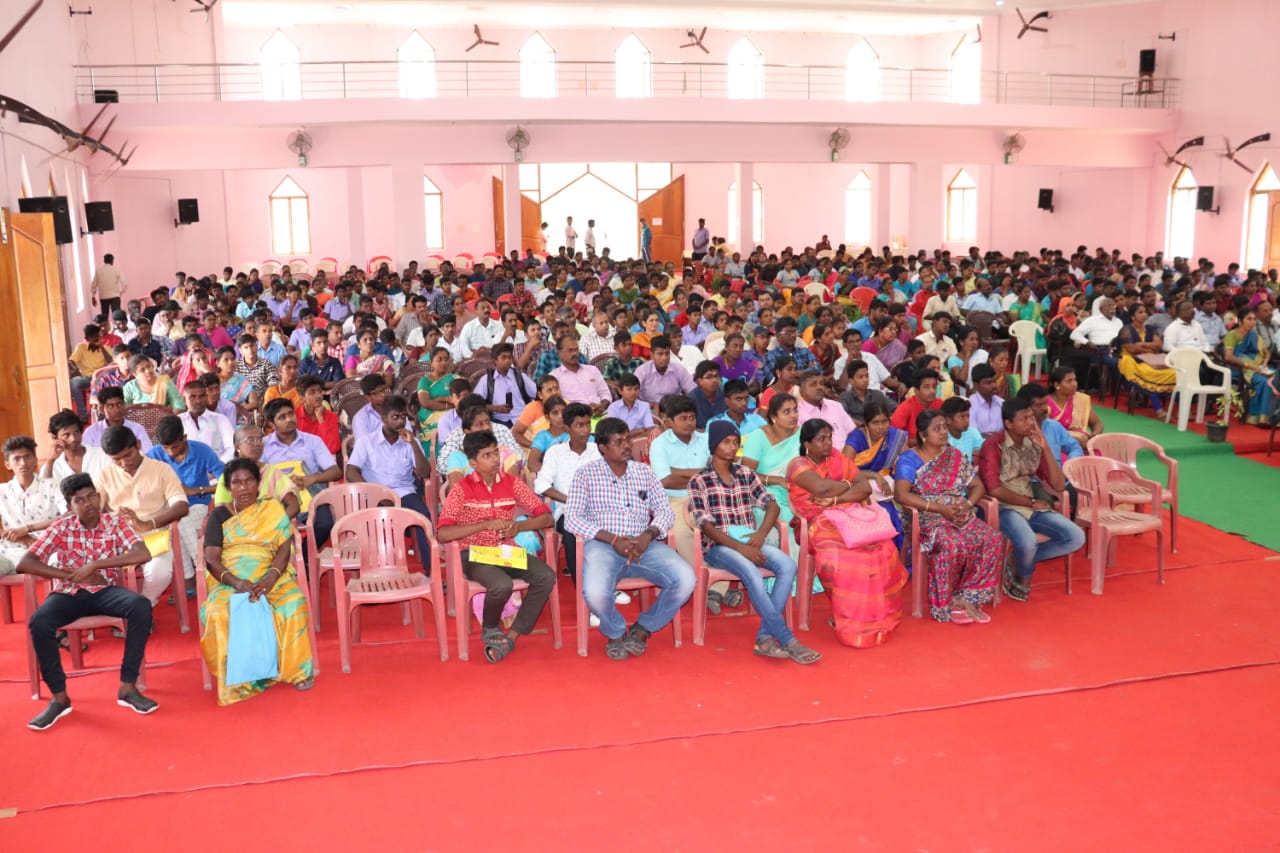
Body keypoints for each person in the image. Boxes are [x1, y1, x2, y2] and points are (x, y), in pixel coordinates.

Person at [20, 473, 158, 730]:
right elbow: (25, 562)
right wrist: (73, 575)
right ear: (70, 506)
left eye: (92, 496)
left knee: (140, 606)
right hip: (68, 593)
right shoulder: (61, 527)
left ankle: (128, 687)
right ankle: (59, 698)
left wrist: (96, 565)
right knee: (39, 622)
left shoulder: (115, 523)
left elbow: (143, 553)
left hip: (104, 590)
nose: (89, 503)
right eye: (79, 500)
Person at [564, 417, 695, 660]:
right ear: (602, 447)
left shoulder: (644, 472)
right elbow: (571, 519)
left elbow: (665, 511)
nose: (626, 446)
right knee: (594, 593)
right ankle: (614, 631)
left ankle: (643, 628)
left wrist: (648, 535)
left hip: (644, 545)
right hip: (604, 547)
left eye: (627, 440)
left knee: (686, 579)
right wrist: (614, 540)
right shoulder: (586, 474)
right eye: (618, 442)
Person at [689, 421, 820, 664]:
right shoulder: (700, 481)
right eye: (726, 441)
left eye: (735, 442)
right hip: (718, 547)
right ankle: (788, 639)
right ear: (713, 445)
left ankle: (764, 637)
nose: (732, 447)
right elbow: (705, 525)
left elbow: (770, 503)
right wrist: (742, 549)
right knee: (751, 572)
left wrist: (759, 535)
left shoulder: (745, 474)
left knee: (788, 566)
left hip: (749, 540)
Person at [200, 458, 315, 705]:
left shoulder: (272, 510)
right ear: (229, 488)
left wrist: (271, 578)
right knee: (218, 612)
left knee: (292, 603)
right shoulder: (218, 515)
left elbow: (285, 547)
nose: (243, 487)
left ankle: (295, 671)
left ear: (258, 484)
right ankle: (235, 678)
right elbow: (210, 557)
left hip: (271, 574)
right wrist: (235, 581)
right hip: (230, 578)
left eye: (249, 480)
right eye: (236, 483)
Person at [787, 419, 908, 648]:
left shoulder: (837, 457)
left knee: (883, 549)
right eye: (821, 439)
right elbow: (820, 487)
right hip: (818, 524)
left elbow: (863, 487)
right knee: (840, 557)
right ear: (806, 443)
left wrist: (836, 497)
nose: (827, 443)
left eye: (829, 437)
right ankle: (849, 616)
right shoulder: (798, 464)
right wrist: (846, 485)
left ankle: (873, 616)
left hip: (848, 516)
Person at [437, 430, 556, 663]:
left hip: (505, 550)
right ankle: (491, 628)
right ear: (473, 462)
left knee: (546, 576)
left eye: (495, 453)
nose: (495, 460)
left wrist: (518, 528)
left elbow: (547, 518)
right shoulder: (461, 489)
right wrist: (485, 525)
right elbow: (443, 532)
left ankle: (512, 635)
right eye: (486, 456)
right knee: (501, 584)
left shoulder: (512, 483)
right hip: (474, 553)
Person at [894, 410, 1004, 623]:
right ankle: (948, 602)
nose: (944, 432)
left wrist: (968, 505)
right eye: (937, 428)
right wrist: (937, 508)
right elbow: (901, 494)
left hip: (958, 513)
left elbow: (978, 485)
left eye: (944, 426)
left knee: (991, 539)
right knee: (951, 544)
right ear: (924, 435)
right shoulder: (910, 458)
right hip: (926, 518)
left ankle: (969, 596)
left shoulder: (953, 455)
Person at [977, 397, 1085, 602]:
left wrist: (1045, 447)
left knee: (1075, 537)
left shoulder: (1034, 443)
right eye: (1024, 419)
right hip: (1002, 507)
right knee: (1027, 542)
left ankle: (1015, 562)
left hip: (1029, 504)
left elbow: (1059, 485)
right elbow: (995, 489)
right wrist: (1031, 503)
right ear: (1008, 424)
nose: (1030, 423)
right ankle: (1022, 578)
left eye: (1030, 418)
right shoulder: (993, 446)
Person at [96, 425, 191, 606]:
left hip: (154, 536)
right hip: (118, 540)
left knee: (159, 572)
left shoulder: (161, 470)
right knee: (95, 570)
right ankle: (122, 609)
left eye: (128, 455)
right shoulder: (105, 476)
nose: (124, 463)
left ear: (138, 445)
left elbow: (181, 506)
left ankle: (142, 606)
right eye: (117, 460)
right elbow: (94, 512)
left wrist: (148, 524)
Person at [346, 394, 434, 558]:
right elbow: (350, 471)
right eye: (395, 417)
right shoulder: (366, 441)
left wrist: (413, 444)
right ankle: (379, 562)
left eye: (403, 417)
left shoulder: (409, 441)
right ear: (384, 419)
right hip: (374, 493)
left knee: (423, 517)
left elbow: (424, 472)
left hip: (404, 491)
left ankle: (430, 567)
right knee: (377, 520)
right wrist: (374, 492)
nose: (400, 421)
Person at [147, 416, 223, 601]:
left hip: (198, 504)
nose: (171, 452)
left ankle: (190, 577)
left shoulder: (202, 451)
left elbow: (226, 481)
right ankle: (204, 572)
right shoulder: (154, 455)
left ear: (184, 437)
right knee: (176, 522)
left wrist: (196, 490)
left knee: (182, 520)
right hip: (167, 509)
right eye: (166, 448)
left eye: (175, 446)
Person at [534, 403, 601, 579]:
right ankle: (580, 584)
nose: (586, 430)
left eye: (588, 424)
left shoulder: (598, 450)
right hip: (568, 510)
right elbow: (541, 485)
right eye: (580, 425)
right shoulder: (555, 452)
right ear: (567, 428)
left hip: (601, 508)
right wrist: (570, 499)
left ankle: (607, 580)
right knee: (572, 530)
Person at [649, 395, 710, 563]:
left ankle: (717, 580)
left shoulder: (705, 439)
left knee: (722, 523)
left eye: (692, 417)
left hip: (707, 495)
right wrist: (702, 474)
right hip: (673, 498)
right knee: (682, 531)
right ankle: (701, 575)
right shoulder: (659, 444)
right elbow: (666, 481)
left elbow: (717, 472)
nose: (689, 423)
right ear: (669, 421)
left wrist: (679, 472)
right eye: (683, 418)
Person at [0, 436, 67, 575]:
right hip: (11, 551)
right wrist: (17, 536)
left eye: (27, 457)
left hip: (49, 549)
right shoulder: (2, 491)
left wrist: (27, 529)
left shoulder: (53, 485)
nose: (23, 463)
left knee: (62, 560)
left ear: (35, 459)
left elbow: (69, 516)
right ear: (7, 464)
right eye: (16, 459)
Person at [844, 400, 906, 550]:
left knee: (903, 513)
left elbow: (907, 460)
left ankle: (901, 561)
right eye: (875, 423)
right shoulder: (856, 438)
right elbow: (845, 470)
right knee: (886, 513)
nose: (881, 427)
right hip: (860, 489)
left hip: (887, 487)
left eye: (884, 422)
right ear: (866, 423)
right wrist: (874, 476)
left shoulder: (894, 435)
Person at [740, 393, 801, 526]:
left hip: (800, 490)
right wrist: (777, 480)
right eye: (787, 412)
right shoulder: (758, 437)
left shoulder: (802, 434)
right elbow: (745, 474)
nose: (793, 415)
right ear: (774, 417)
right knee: (786, 519)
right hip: (766, 493)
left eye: (795, 410)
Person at [1115, 303, 1176, 412]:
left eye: (1145, 312)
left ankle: (1180, 410)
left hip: (1149, 359)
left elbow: (1159, 345)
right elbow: (1131, 349)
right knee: (1150, 373)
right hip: (1130, 359)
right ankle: (1159, 410)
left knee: (1173, 372)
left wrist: (1142, 345)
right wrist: (1149, 348)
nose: (1144, 314)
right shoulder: (1126, 329)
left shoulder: (1149, 328)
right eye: (1140, 312)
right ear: (1133, 317)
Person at [1222, 307, 1275, 424]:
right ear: (1240, 321)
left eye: (1254, 319)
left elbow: (1267, 353)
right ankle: (1259, 417)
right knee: (1264, 382)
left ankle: (1274, 417)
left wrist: (1265, 363)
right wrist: (1251, 367)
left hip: (1258, 368)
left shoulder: (1255, 335)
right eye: (1249, 319)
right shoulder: (1232, 335)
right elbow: (1228, 357)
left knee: (1276, 378)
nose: (1252, 321)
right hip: (1241, 370)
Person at [473, 342, 538, 428]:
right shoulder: (487, 380)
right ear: (494, 361)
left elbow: (537, 393)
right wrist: (494, 408)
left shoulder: (520, 376)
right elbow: (474, 404)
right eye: (503, 357)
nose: (507, 360)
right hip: (498, 422)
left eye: (509, 357)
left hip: (523, 420)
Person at [549, 335, 611, 416]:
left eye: (576, 349)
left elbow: (606, 393)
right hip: (575, 419)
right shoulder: (554, 377)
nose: (575, 353)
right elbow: (557, 405)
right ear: (559, 353)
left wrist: (601, 406)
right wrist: (584, 411)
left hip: (601, 414)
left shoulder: (592, 370)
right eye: (570, 350)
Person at [796, 370, 856, 449]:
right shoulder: (797, 414)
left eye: (821, 383)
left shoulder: (835, 406)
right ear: (802, 391)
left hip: (848, 455)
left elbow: (852, 432)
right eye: (813, 384)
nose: (820, 387)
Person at [178, 378, 234, 462]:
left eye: (202, 396)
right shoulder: (178, 421)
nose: (198, 401)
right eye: (192, 397)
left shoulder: (220, 420)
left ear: (207, 397)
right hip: (187, 470)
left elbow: (231, 448)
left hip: (217, 469)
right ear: (184, 400)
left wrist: (216, 466)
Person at [1045, 366, 1102, 448]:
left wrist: (1094, 435)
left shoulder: (1080, 400)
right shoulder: (1045, 403)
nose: (1074, 384)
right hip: (1057, 445)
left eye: (1075, 380)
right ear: (1057, 385)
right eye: (1069, 381)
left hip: (1083, 443)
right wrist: (1073, 437)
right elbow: (1046, 432)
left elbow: (1097, 423)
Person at [889, 368, 943, 442]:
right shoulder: (905, 407)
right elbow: (893, 438)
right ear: (916, 390)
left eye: (934, 386)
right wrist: (924, 441)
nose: (932, 391)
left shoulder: (940, 404)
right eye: (926, 387)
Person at [295, 375, 340, 455]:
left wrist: (321, 420)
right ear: (302, 398)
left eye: (319, 391)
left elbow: (333, 448)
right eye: (312, 393)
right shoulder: (294, 417)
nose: (318, 396)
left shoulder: (331, 416)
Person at [605, 373, 655, 438]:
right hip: (620, 445)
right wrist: (638, 431)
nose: (633, 392)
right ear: (620, 391)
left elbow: (650, 431)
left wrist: (632, 439)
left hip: (640, 442)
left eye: (636, 389)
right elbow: (615, 434)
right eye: (629, 389)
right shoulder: (613, 408)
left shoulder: (644, 406)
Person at [940, 396, 984, 461]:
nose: (966, 420)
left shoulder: (972, 432)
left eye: (968, 416)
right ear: (948, 420)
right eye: (962, 417)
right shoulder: (943, 437)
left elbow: (984, 448)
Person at [966, 363, 1004, 435]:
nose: (994, 386)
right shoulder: (969, 405)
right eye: (988, 383)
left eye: (994, 381)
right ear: (976, 385)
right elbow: (972, 434)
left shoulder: (1001, 403)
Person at [351, 374, 390, 442]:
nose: (382, 394)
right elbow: (364, 447)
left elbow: (408, 435)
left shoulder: (397, 409)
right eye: (376, 393)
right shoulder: (360, 418)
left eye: (383, 389)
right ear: (367, 397)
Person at [90, 253, 127, 318]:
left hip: (103, 297)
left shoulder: (98, 271)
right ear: (112, 261)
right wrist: (120, 293)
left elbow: (94, 284)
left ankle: (105, 327)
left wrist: (93, 296)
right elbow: (125, 284)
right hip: (115, 296)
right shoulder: (116, 270)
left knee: (104, 317)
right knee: (117, 316)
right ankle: (117, 327)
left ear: (104, 261)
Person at [691, 361, 726, 428]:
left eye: (716, 376)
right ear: (699, 381)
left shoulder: (724, 394)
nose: (714, 380)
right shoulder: (691, 399)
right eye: (709, 377)